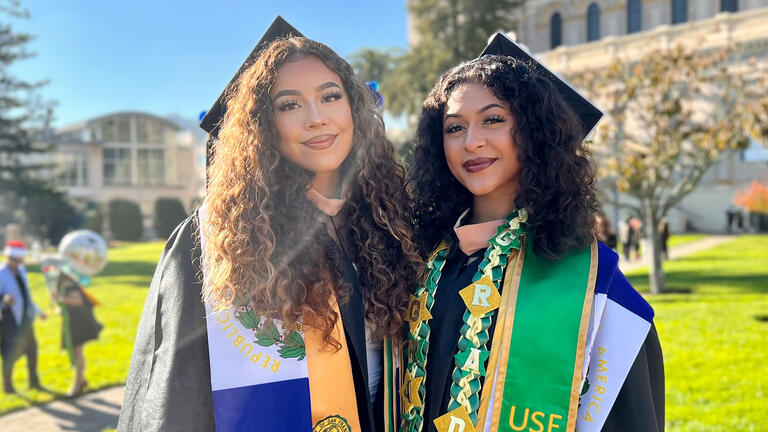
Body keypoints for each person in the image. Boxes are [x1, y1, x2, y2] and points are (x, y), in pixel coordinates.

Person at [118, 17, 420, 432]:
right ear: (264, 127)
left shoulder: (388, 222)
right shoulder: (215, 238)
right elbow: (177, 389)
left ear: (355, 108)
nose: (316, 118)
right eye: (290, 104)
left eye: (330, 96)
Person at [402, 34, 664, 432]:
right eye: (454, 127)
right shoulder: (421, 261)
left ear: (534, 132)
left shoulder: (590, 280)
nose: (471, 142)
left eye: (493, 120)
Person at [0, 240, 44, 394]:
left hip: (25, 318)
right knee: (10, 352)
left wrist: (38, 311)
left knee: (32, 350)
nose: (20, 262)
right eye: (17, 260)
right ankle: (8, 386)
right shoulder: (1, 273)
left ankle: (34, 382)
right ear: (10, 258)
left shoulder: (22, 271)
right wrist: (4, 300)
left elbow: (26, 295)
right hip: (9, 319)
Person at [51, 270, 103, 396]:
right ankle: (82, 380)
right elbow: (61, 305)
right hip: (72, 322)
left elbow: (77, 301)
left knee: (77, 352)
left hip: (78, 322)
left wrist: (61, 298)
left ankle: (77, 384)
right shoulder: (61, 283)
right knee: (76, 352)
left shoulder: (67, 283)